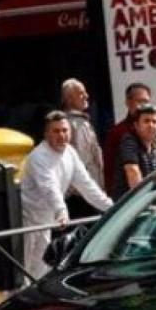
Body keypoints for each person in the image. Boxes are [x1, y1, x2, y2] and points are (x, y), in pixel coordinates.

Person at [21, 111, 113, 279]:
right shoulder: (38, 156)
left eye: (65, 130)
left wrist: (111, 207)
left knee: (42, 265)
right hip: (28, 220)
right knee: (24, 266)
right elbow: (49, 187)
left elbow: (86, 184)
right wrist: (61, 211)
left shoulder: (70, 152)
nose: (62, 135)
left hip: (47, 219)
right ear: (46, 133)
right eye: (56, 131)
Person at [60, 78, 105, 217]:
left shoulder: (77, 121)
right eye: (81, 93)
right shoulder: (76, 123)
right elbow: (82, 160)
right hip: (82, 194)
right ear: (69, 99)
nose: (86, 96)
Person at [111, 104, 156, 200]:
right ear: (136, 125)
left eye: (155, 122)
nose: (151, 125)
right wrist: (144, 201)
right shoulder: (129, 141)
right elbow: (133, 171)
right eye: (146, 121)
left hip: (148, 199)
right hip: (129, 204)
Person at [104, 82, 152, 192]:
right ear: (128, 102)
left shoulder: (152, 131)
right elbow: (110, 169)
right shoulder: (118, 132)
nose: (144, 106)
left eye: (146, 102)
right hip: (128, 197)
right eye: (139, 101)